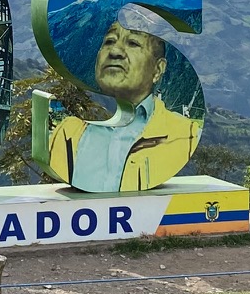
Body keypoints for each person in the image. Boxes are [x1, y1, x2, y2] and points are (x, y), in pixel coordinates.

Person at [47, 21, 199, 190]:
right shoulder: (66, 134)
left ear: (157, 70)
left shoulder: (186, 135)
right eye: (109, 41)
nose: (115, 51)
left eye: (133, 43)